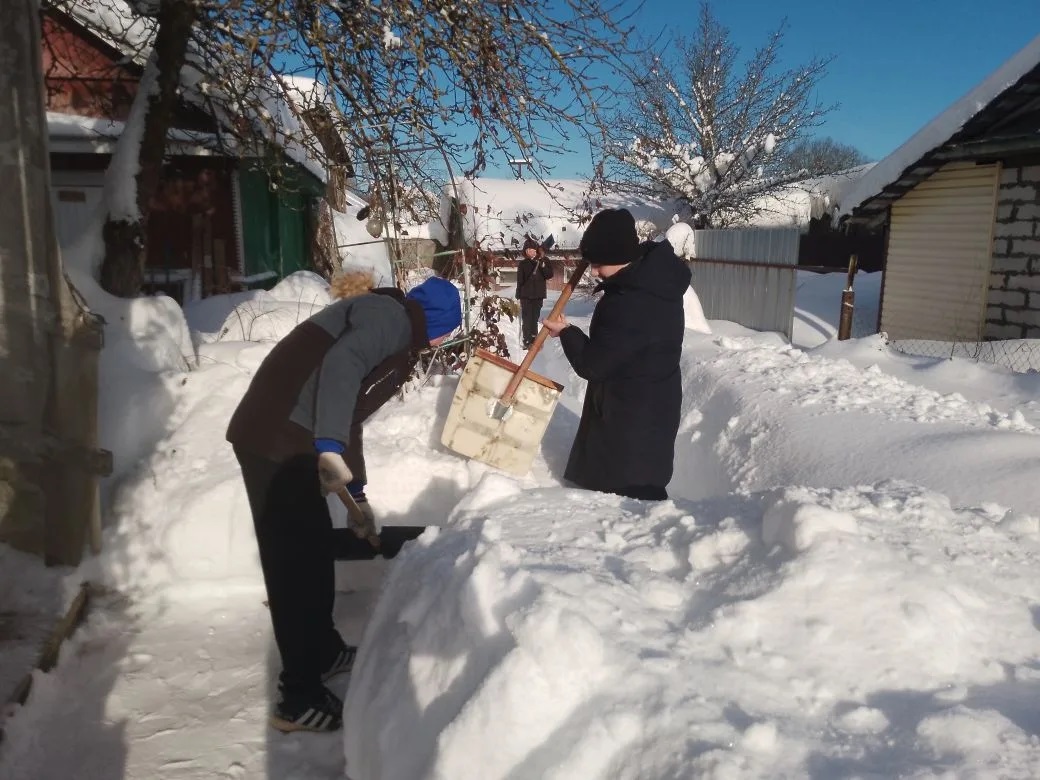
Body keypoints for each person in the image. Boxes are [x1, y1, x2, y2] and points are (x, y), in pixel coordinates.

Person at [226, 275, 462, 733]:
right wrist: (329, 444)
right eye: (449, 330)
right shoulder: (388, 317)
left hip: (292, 439)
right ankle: (297, 698)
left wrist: (357, 492)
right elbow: (342, 365)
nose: (448, 339)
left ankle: (322, 649)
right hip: (274, 439)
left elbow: (348, 408)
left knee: (313, 549)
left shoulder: (392, 326)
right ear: (436, 322)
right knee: (293, 563)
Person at [542, 208, 691, 501]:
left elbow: (594, 364)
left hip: (630, 413)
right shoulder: (652, 281)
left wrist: (567, 333)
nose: (594, 271)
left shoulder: (631, 301)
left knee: (628, 499)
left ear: (618, 255)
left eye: (598, 264)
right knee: (640, 485)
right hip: (651, 402)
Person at [515, 237, 554, 349]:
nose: (529, 251)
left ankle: (534, 339)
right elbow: (520, 280)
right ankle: (527, 340)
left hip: (538, 294)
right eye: (527, 250)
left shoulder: (544, 261)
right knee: (527, 318)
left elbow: (549, 275)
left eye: (531, 249)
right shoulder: (523, 264)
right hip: (525, 295)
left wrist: (542, 265)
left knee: (534, 317)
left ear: (536, 250)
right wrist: (518, 293)